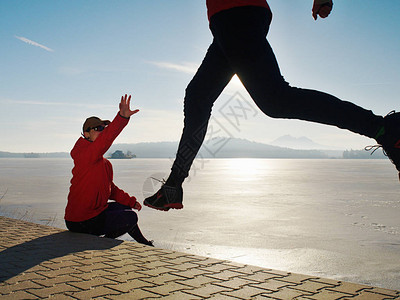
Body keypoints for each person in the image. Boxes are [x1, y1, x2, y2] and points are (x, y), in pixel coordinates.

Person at [144, 0, 400, 211]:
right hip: (227, 20)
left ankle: (384, 128)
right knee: (198, 95)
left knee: (275, 100)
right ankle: (172, 187)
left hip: (237, 15)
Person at [65, 94, 153, 246]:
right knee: (130, 218)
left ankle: (144, 244)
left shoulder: (104, 163)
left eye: (103, 128)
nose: (102, 131)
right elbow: (105, 140)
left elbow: (110, 189)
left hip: (94, 214)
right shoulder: (84, 155)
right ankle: (105, 241)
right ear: (86, 134)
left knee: (126, 208)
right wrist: (122, 118)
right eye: (98, 128)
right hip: (80, 221)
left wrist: (131, 202)